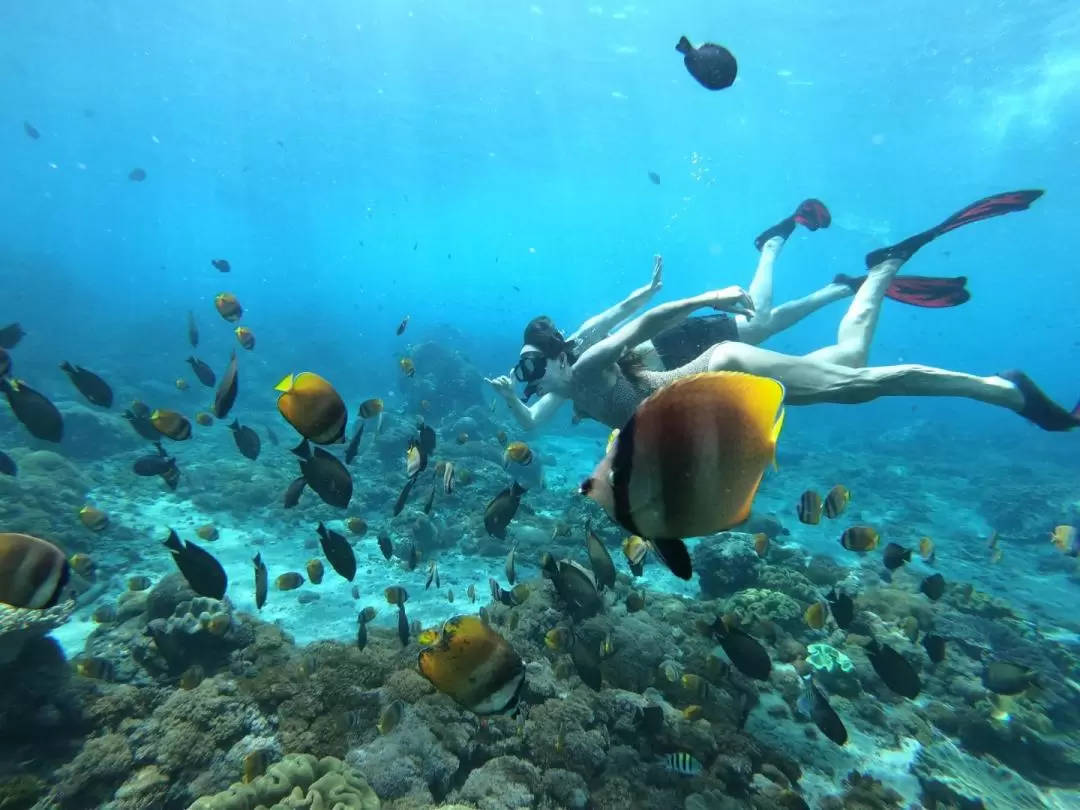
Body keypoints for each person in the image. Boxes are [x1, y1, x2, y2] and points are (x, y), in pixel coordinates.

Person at [488, 189, 1078, 433]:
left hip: (723, 370)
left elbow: (641, 323)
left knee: (854, 382)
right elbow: (533, 430)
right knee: (849, 362)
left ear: (555, 360)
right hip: (713, 392)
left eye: (534, 371)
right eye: (528, 376)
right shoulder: (563, 390)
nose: (537, 382)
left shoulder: (586, 366)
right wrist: (511, 397)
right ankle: (880, 269)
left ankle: (1003, 390)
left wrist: (703, 297)